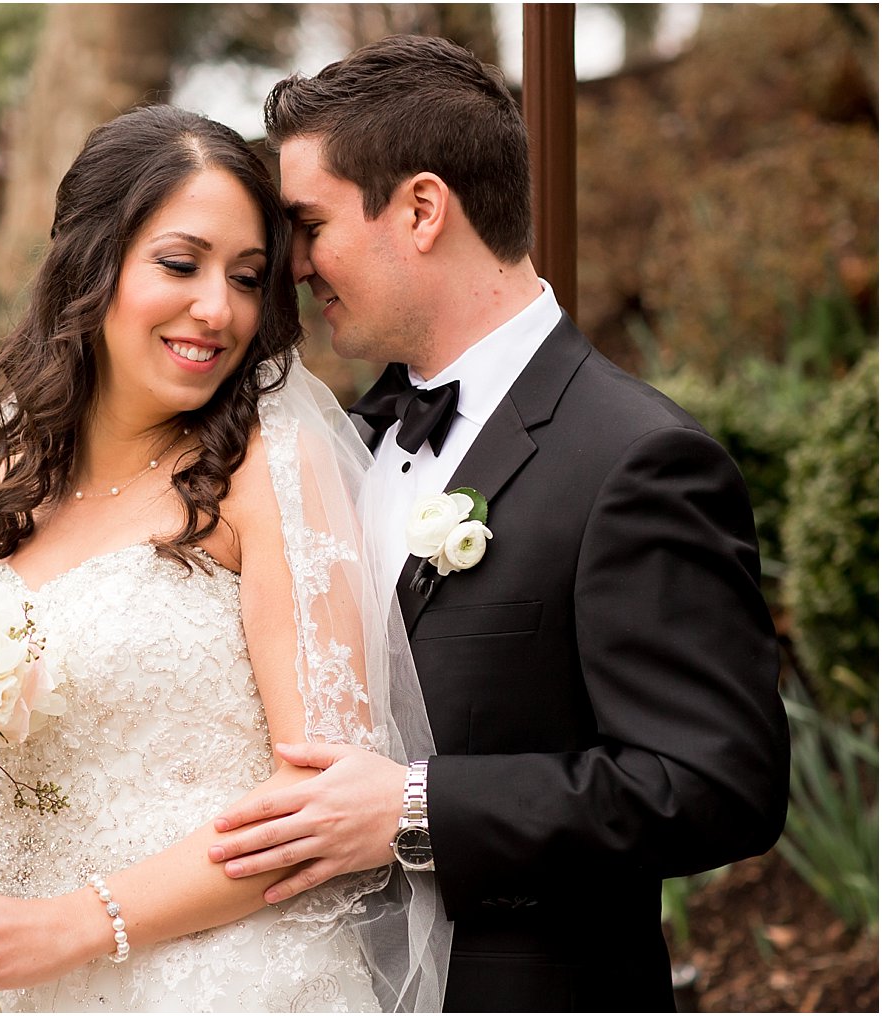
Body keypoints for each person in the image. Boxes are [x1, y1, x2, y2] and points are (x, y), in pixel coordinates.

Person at [208, 34, 790, 1012]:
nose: (293, 265)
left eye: (307, 224)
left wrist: (413, 806)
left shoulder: (635, 458)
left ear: (422, 208)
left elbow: (718, 781)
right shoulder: (323, 451)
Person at [0, 104, 449, 1011]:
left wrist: (71, 926)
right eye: (180, 264)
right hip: (3, 982)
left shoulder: (269, 469)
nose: (218, 309)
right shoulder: (6, 471)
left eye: (249, 278)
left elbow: (319, 805)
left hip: (217, 979)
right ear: (90, 267)